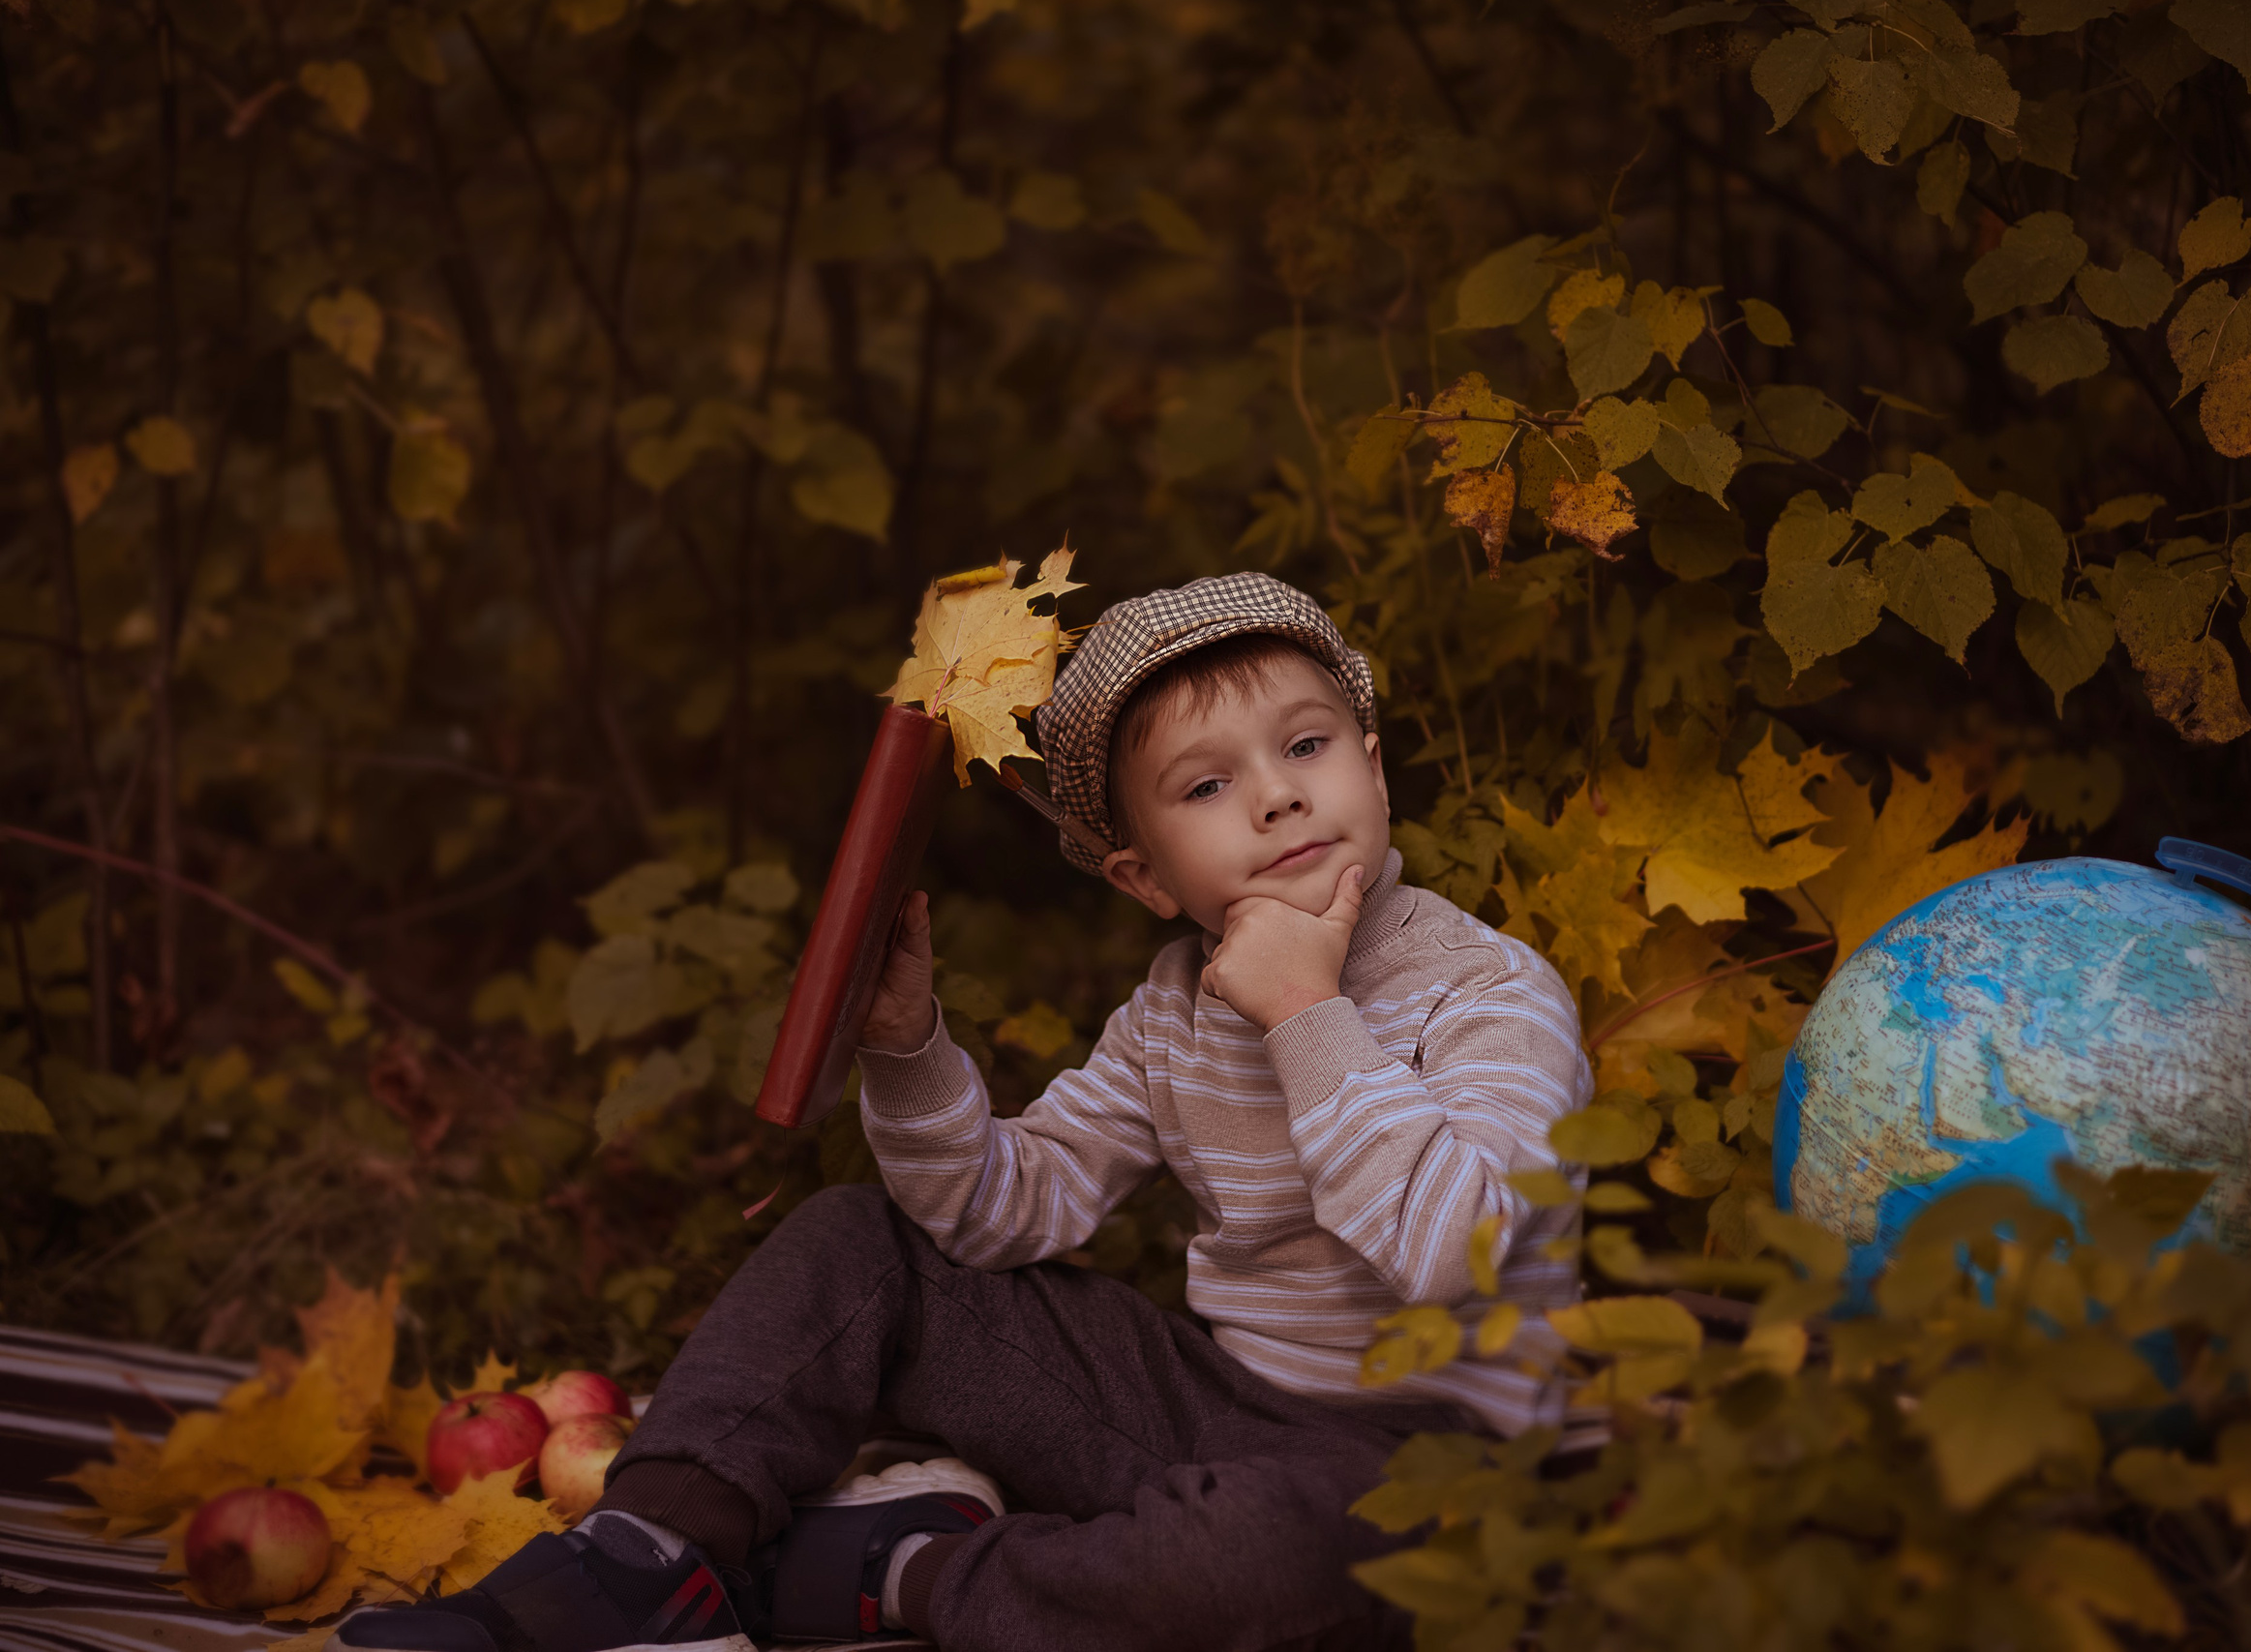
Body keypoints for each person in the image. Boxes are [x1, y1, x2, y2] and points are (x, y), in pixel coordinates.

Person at [335, 572, 1591, 1652]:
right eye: (1207, 784)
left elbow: (1463, 1254)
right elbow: (1003, 1211)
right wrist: (907, 1044)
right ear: (1144, 876)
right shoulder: (1172, 1008)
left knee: (1270, 1562)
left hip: (1427, 1452)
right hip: (1210, 1400)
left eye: (1308, 746)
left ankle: (909, 1572)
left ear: (1373, 765)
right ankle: (652, 1547)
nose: (1275, 796)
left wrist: (1309, 1011)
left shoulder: (1490, 990)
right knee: (858, 1241)